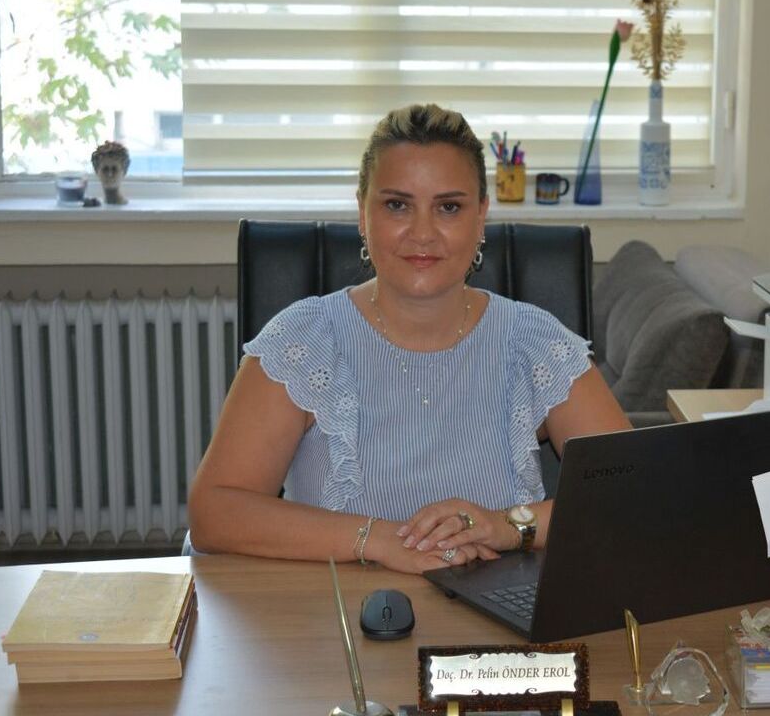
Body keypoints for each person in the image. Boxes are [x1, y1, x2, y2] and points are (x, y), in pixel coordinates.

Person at [188, 104, 631, 573]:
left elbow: (634, 495)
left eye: (449, 207)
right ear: (363, 213)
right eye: (397, 205)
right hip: (340, 610)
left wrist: (508, 525)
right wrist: (378, 539)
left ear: (481, 216)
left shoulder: (533, 342)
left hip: (496, 612)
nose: (422, 233)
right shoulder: (305, 340)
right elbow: (214, 513)